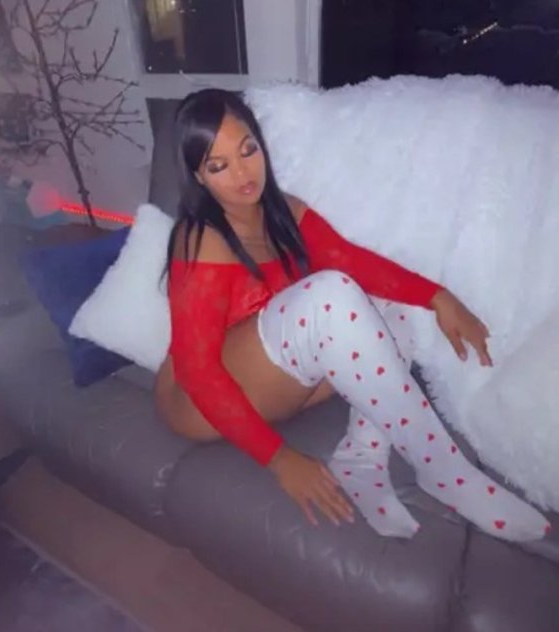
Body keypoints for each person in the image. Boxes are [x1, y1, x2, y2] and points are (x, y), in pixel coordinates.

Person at [154, 88, 550, 541]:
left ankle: (361, 456)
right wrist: (281, 459)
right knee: (329, 296)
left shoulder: (284, 211)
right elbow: (198, 372)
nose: (243, 172)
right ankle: (446, 472)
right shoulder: (200, 239)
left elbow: (354, 262)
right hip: (199, 402)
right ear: (198, 176)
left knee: (387, 305)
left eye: (248, 150)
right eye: (218, 165)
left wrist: (438, 297)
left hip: (273, 384)